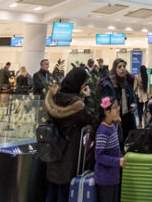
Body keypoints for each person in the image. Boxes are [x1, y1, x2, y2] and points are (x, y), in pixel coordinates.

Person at [44, 67, 97, 202]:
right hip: (68, 152)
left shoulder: (54, 98)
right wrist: (88, 98)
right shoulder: (75, 104)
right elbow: (89, 117)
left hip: (53, 148)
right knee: (64, 191)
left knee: (52, 189)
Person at [100, 59, 138, 148]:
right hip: (115, 119)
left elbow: (132, 96)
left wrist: (133, 104)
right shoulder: (109, 84)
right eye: (119, 67)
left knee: (129, 142)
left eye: (124, 66)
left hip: (127, 115)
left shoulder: (127, 82)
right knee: (117, 143)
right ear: (115, 69)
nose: (122, 69)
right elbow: (106, 103)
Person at [94, 97, 125, 202]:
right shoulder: (103, 131)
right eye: (115, 107)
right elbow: (99, 156)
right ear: (107, 112)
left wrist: (120, 158)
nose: (118, 109)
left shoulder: (111, 126)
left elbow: (115, 149)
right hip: (105, 179)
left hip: (113, 177)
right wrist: (117, 161)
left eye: (118, 106)